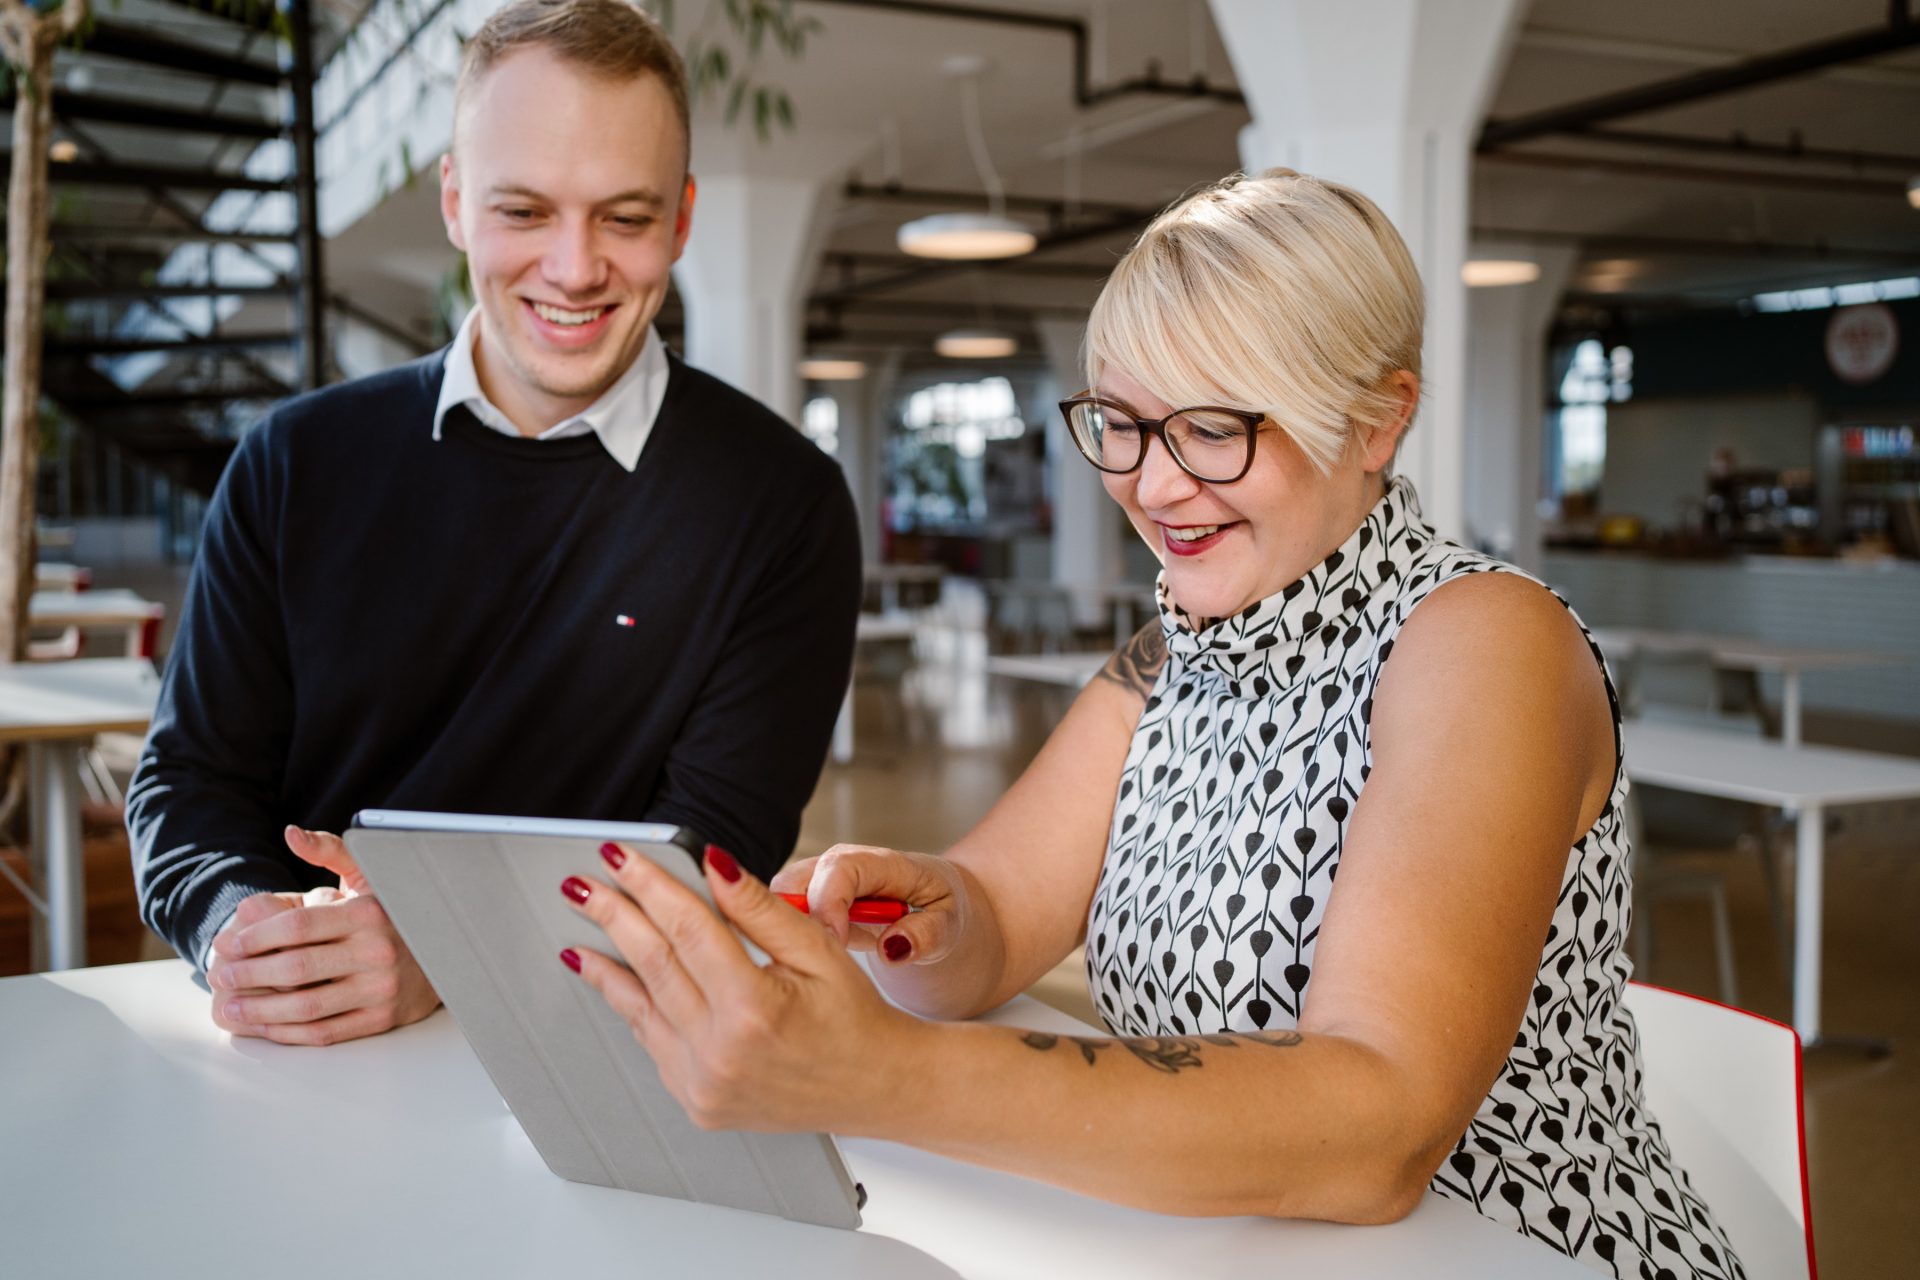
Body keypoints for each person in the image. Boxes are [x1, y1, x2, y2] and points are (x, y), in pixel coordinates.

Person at [555, 170, 1746, 1278]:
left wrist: (887, 1074)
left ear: (1379, 423)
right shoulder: (1176, 648)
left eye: (1214, 428)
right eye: (1121, 423)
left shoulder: (1483, 644)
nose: (1154, 484)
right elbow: (1002, 907)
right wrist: (912, 911)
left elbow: (1377, 1125)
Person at [127, 0, 860, 1049]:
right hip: (296, 1055)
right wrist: (238, 930)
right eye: (525, 212)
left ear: (684, 219)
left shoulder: (784, 506)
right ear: (456, 201)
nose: (574, 268)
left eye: (626, 216)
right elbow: (190, 778)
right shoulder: (291, 464)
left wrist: (445, 953)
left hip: (606, 1058)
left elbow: (710, 853)